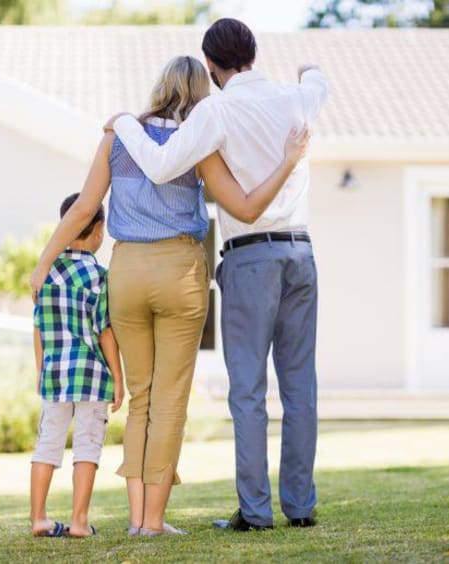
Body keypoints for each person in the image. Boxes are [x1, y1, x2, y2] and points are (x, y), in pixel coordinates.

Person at [29, 55, 309, 537]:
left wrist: (43, 262)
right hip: (179, 271)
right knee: (171, 399)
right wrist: (287, 162)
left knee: (142, 397)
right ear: (201, 96)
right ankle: (152, 522)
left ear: (158, 88)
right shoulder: (198, 144)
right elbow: (242, 205)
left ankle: (138, 518)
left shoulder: (117, 139)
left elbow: (82, 212)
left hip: (127, 271)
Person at [105, 18, 329, 531]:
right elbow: (320, 81)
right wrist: (308, 67)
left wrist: (124, 124)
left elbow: (161, 166)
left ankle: (255, 512)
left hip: (250, 258)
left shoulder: (216, 110)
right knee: (300, 387)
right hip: (301, 255)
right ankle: (300, 507)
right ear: (253, 52)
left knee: (248, 391)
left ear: (211, 65)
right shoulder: (297, 99)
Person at [30, 196, 124, 538]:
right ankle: (79, 521)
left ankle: (38, 517)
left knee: (47, 444)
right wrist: (119, 378)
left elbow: (38, 328)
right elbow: (106, 333)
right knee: (87, 445)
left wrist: (41, 371)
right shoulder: (100, 277)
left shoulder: (45, 274)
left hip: (55, 375)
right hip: (92, 376)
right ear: (99, 229)